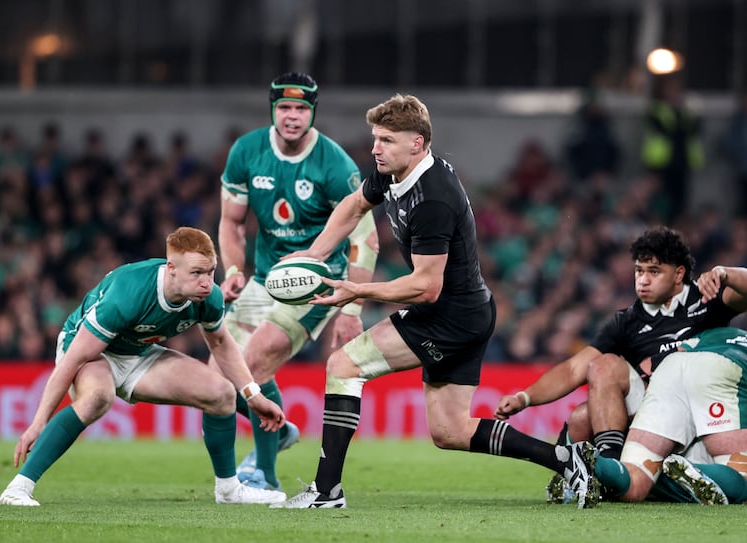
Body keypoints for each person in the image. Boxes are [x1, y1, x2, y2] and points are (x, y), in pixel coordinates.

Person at [272, 94, 600, 510]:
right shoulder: (392, 173)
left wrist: (356, 290)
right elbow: (355, 205)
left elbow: (425, 287)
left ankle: (325, 491)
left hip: (448, 317)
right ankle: (566, 459)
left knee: (344, 366)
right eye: (376, 138)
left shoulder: (433, 198)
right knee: (451, 432)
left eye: (387, 140)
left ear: (418, 142)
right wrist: (315, 256)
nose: (376, 148)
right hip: (467, 312)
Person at [0, 227, 288, 506]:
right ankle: (18, 488)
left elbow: (222, 344)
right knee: (98, 397)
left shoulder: (208, 297)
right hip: (91, 351)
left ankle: (228, 489)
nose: (206, 282)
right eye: (197, 272)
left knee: (222, 393)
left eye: (211, 272)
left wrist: (253, 395)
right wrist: (38, 421)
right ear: (171, 268)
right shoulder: (129, 292)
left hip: (137, 352)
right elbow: (73, 359)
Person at [495, 227, 747, 502]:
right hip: (658, 405)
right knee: (589, 398)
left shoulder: (705, 297)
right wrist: (525, 396)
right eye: (639, 271)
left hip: (702, 406)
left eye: (654, 271)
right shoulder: (626, 322)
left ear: (678, 274)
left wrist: (725, 273)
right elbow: (573, 369)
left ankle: (612, 477)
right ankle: (609, 466)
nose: (643, 280)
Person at [216, 72, 378, 491]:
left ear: (313, 112)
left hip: (317, 282)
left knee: (255, 360)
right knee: (215, 381)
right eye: (285, 108)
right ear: (272, 109)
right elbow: (232, 223)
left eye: (301, 108)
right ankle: (279, 429)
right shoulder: (246, 151)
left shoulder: (335, 164)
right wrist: (233, 271)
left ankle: (265, 476)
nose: (292, 116)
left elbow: (365, 237)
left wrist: (352, 307)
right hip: (264, 279)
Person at [593, 326, 747, 505]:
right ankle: (689, 471)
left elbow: (648, 366)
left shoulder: (720, 333)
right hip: (722, 372)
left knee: (636, 477)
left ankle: (593, 466)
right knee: (741, 476)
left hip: (671, 366)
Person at [640, 75, 704, 223]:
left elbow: (695, 128)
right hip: (661, 164)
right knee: (661, 199)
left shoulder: (687, 112)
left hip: (682, 163)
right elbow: (667, 129)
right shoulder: (658, 110)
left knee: (680, 199)